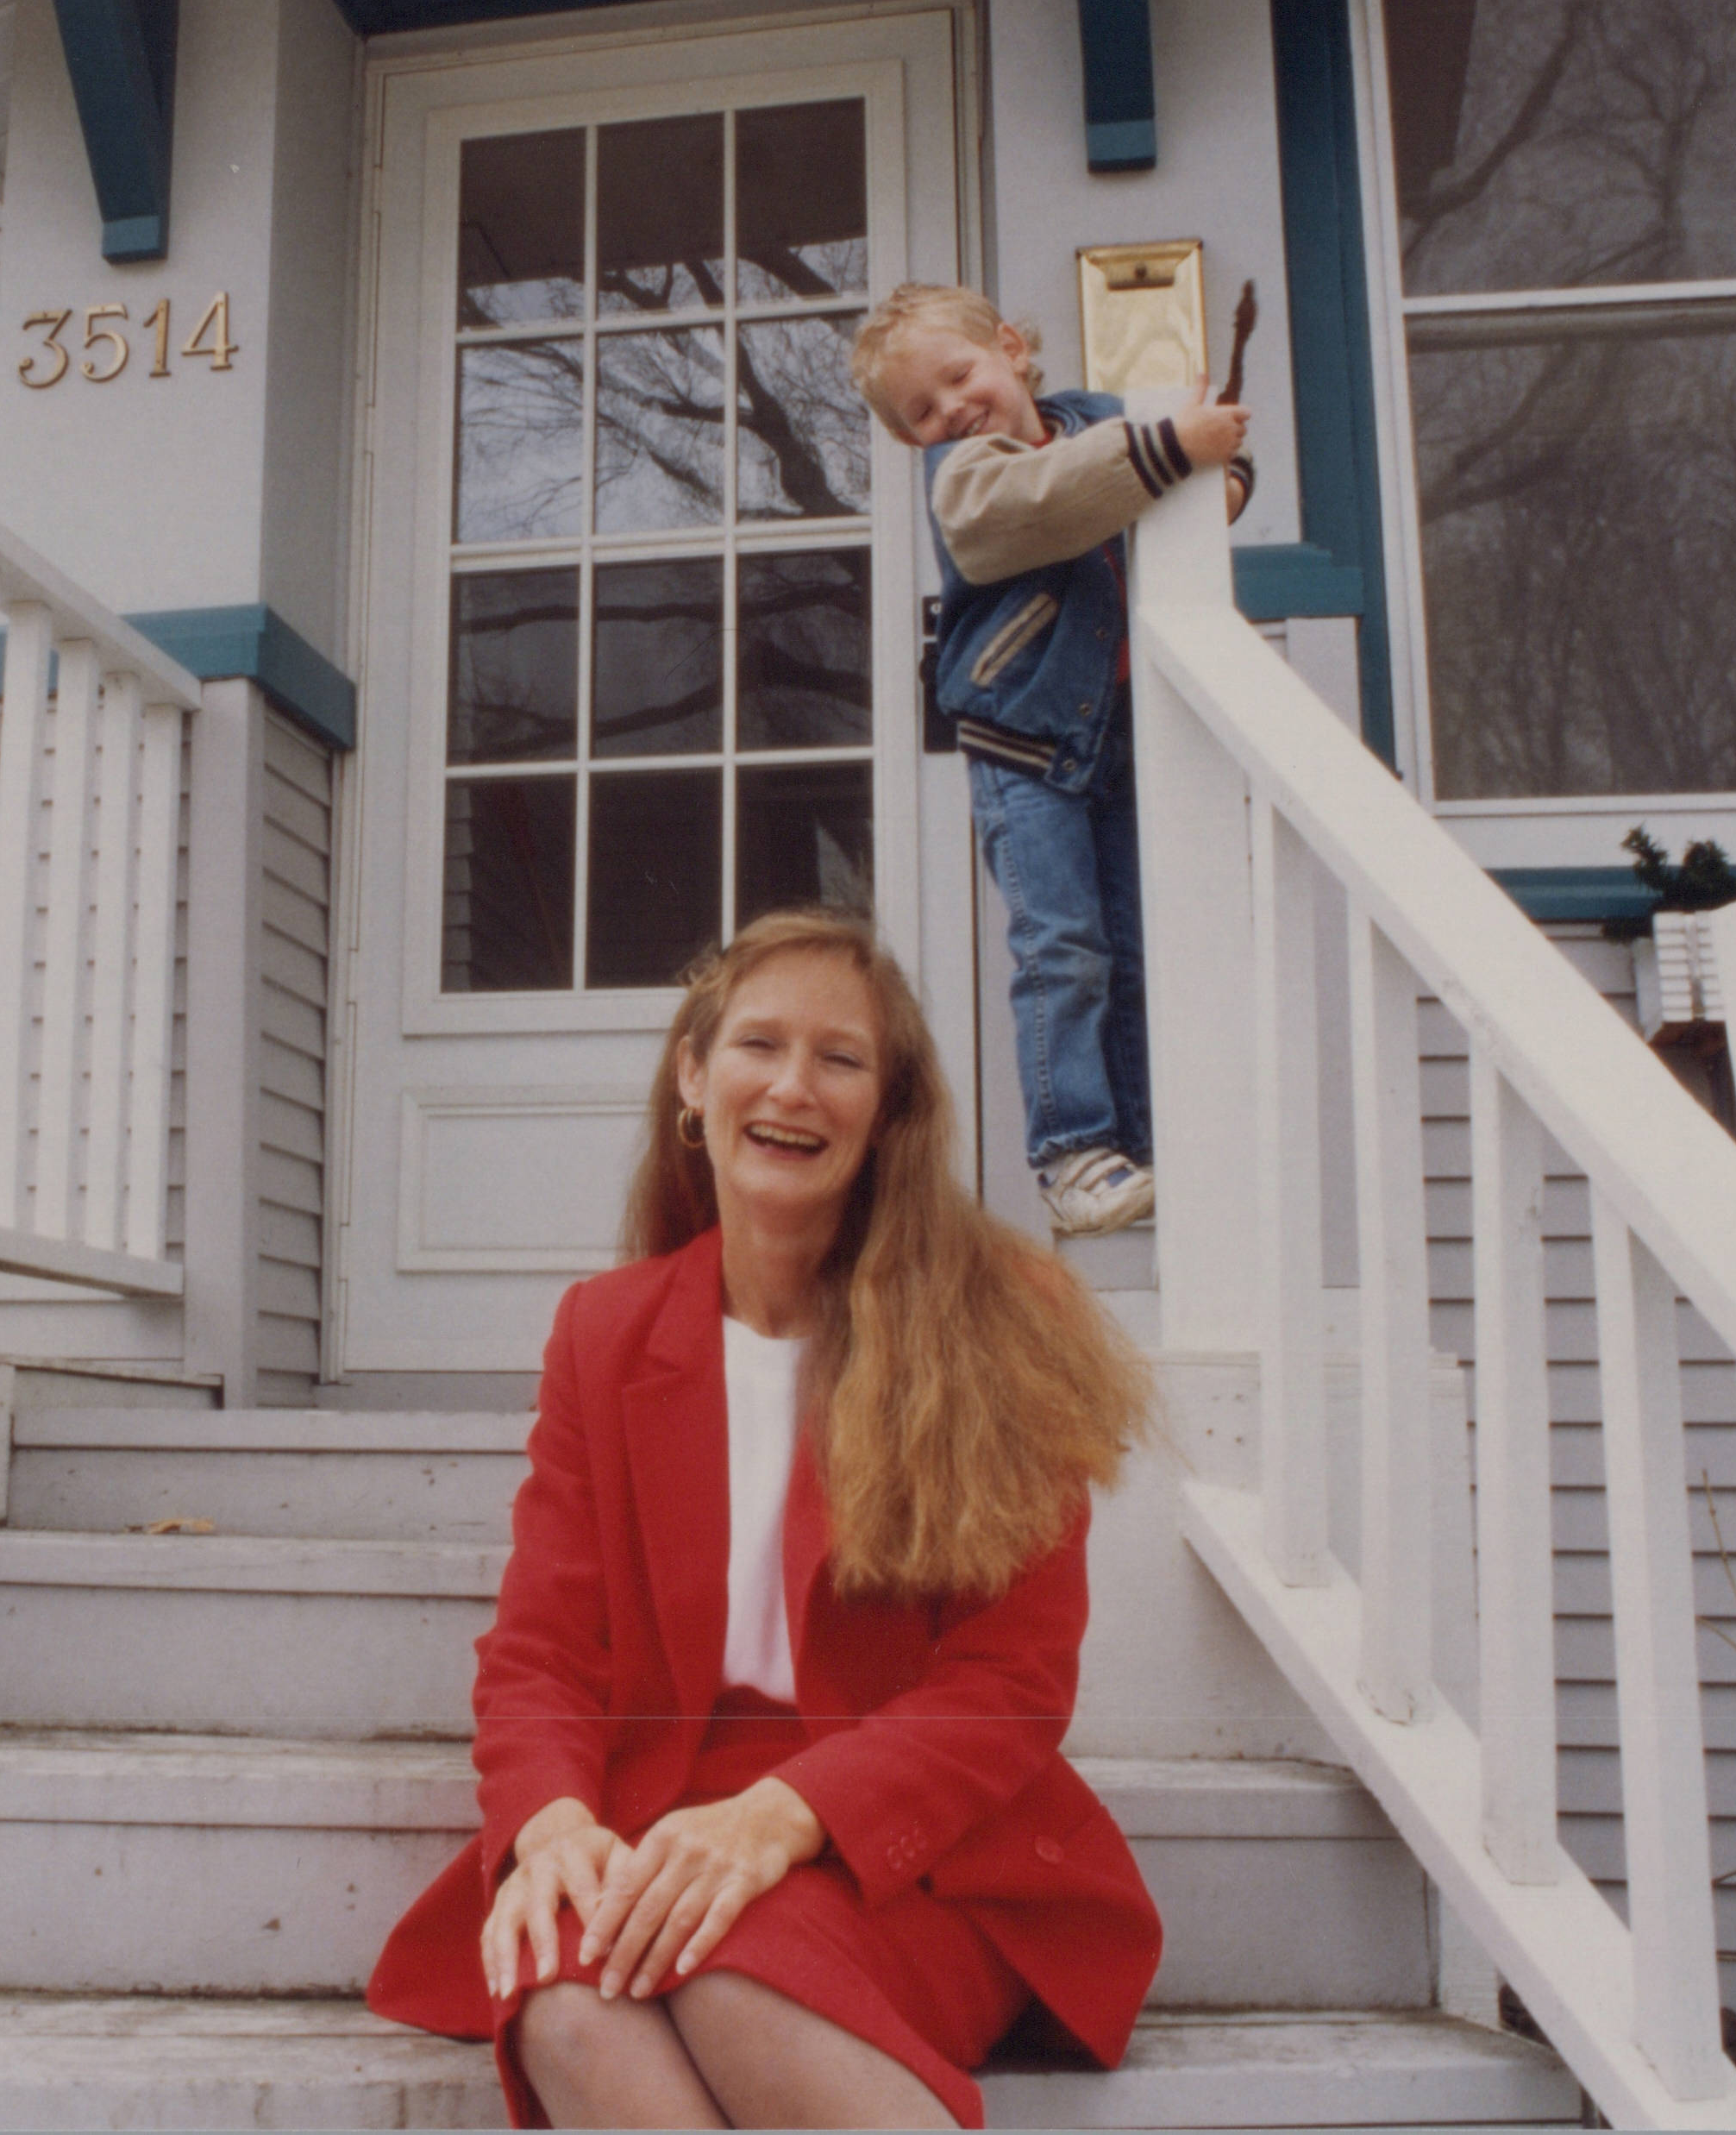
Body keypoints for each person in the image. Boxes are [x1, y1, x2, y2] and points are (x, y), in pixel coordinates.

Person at [366, 909, 1162, 2130]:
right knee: (564, 2002)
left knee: (736, 1969)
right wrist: (552, 1821)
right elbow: (542, 1649)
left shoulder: (1005, 1316)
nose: (794, 1087)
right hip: (652, 1817)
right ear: (695, 1076)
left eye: (841, 1060)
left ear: (889, 1111)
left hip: (915, 1851)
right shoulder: (607, 1329)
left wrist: (783, 1818)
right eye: (758, 1045)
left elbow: (1009, 1683)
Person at [850, 284, 1251, 1238]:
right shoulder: (966, 474)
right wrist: (1167, 456)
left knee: (1132, 943)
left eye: (958, 376)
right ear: (914, 439)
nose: (949, 408)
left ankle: (1141, 1150)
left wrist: (1217, 479)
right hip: (1020, 741)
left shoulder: (1099, 423)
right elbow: (1035, 506)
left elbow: (1182, 479)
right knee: (1061, 946)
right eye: (922, 411)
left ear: (1011, 348)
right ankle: (1072, 1151)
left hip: (1115, 733)